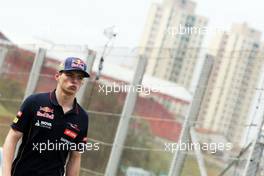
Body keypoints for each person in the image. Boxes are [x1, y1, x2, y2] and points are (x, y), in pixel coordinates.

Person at [2, 57, 90, 176]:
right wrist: (6, 173)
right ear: (57, 76)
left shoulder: (82, 118)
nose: (74, 80)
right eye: (70, 74)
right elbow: (12, 137)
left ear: (82, 82)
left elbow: (75, 157)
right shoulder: (34, 102)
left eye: (79, 77)